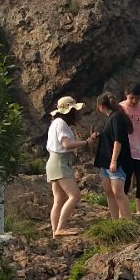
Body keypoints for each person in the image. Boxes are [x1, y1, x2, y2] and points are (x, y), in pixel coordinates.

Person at [46, 96, 92, 237]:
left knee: (59, 199)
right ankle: (60, 228)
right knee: (75, 195)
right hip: (60, 163)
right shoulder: (61, 124)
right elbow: (66, 144)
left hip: (53, 162)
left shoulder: (55, 123)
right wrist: (86, 142)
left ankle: (55, 231)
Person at [94, 91, 132, 219]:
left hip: (115, 161)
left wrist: (114, 160)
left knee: (118, 192)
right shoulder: (111, 118)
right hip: (105, 161)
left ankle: (128, 222)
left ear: (101, 106)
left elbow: (118, 140)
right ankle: (115, 221)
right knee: (109, 192)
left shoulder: (116, 117)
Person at [119, 83, 140, 216]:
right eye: (131, 98)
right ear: (126, 95)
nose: (134, 101)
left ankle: (139, 211)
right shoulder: (120, 108)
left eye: (137, 99)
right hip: (125, 152)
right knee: (124, 182)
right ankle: (123, 212)